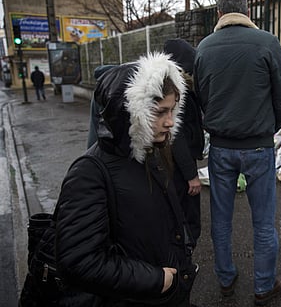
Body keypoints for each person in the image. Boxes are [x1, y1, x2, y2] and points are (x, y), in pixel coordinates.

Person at [55, 52, 198, 306]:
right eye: (160, 112)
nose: (170, 122)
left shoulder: (149, 153)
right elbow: (79, 261)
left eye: (173, 110)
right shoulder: (89, 173)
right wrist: (157, 280)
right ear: (130, 112)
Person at [193, 0, 281, 306]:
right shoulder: (267, 42)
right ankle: (264, 286)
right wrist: (265, 130)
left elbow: (202, 98)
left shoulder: (204, 48)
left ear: (219, 13)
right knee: (263, 222)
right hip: (259, 148)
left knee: (220, 220)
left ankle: (226, 279)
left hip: (220, 148)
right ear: (247, 11)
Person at [164, 39, 204, 246]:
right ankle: (185, 255)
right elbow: (176, 135)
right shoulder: (175, 91)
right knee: (187, 214)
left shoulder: (173, 85)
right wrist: (191, 175)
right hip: (180, 164)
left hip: (177, 161)